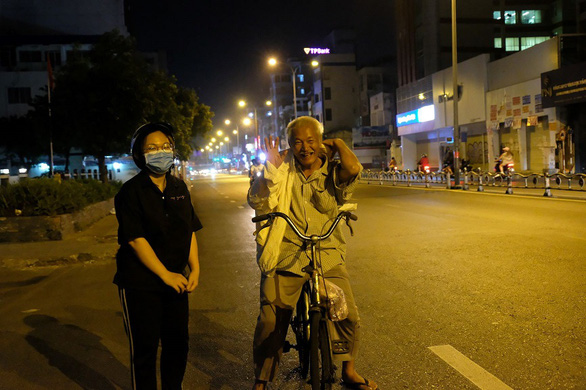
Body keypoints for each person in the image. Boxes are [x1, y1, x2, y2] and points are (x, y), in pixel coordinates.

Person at [248, 116, 378, 390]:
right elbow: (256, 199)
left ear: (320, 142)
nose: (304, 148)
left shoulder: (333, 170)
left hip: (327, 252)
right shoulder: (281, 170)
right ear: (289, 145)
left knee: (346, 312)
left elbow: (353, 168)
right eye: (297, 142)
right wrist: (269, 170)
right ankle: (262, 379)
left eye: (311, 141)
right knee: (271, 317)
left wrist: (338, 143)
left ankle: (349, 370)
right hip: (287, 251)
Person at [113, 122, 203, 390]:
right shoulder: (130, 192)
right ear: (141, 154)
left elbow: (190, 231)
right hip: (141, 284)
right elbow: (135, 239)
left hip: (176, 282)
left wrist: (194, 268)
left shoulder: (179, 188)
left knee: (178, 345)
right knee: (145, 351)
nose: (160, 152)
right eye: (152, 148)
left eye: (165, 146)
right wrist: (164, 274)